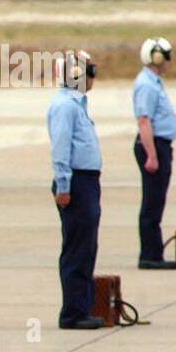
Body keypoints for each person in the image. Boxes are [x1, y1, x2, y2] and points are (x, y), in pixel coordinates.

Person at [48, 49, 104, 329]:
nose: (93, 77)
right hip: (76, 184)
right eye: (88, 71)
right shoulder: (65, 107)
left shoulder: (76, 104)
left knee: (86, 247)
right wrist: (64, 185)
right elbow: (60, 151)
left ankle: (82, 307)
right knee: (77, 249)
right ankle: (72, 313)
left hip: (86, 182)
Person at [133, 37, 176, 269]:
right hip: (153, 146)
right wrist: (152, 155)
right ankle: (149, 255)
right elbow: (143, 121)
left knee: (156, 201)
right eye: (166, 56)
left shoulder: (154, 82)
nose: (169, 62)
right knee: (152, 202)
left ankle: (154, 252)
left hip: (159, 145)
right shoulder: (146, 85)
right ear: (156, 57)